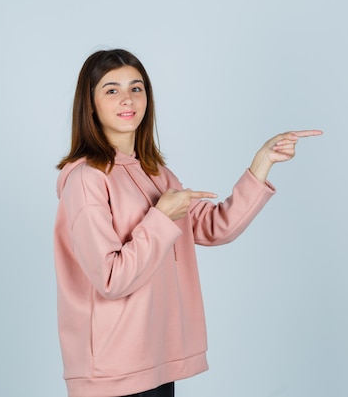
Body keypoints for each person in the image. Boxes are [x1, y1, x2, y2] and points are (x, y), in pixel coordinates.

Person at [54, 48, 322, 397]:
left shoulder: (157, 174)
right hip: (113, 372)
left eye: (137, 88)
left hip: (156, 358)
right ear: (90, 104)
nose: (127, 99)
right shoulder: (87, 180)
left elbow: (215, 227)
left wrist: (263, 162)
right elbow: (111, 278)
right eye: (111, 89)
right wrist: (161, 216)